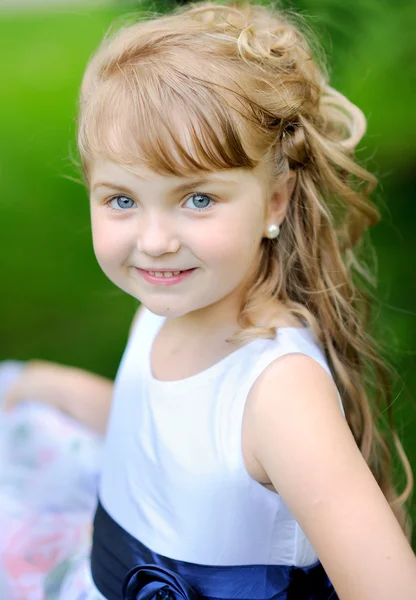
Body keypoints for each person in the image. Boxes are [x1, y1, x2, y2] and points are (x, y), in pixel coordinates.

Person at [1, 1, 416, 598]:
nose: (154, 241)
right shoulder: (164, 306)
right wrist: (64, 390)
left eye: (197, 199)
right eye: (122, 200)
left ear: (274, 202)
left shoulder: (281, 394)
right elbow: (174, 441)